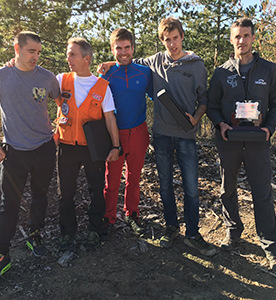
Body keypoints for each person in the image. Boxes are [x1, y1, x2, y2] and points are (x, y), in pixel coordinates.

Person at [100, 17, 216, 256]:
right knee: (141, 184)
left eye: (175, 38)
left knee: (182, 187)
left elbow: (203, 98)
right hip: (139, 134)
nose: (172, 44)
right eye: (166, 40)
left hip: (169, 134)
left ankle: (184, 231)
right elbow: (124, 65)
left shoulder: (185, 66)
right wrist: (110, 62)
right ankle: (120, 220)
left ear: (182, 37)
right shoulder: (138, 66)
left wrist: (195, 118)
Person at [0, 31, 60, 284]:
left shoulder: (47, 78)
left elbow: (60, 102)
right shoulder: (0, 76)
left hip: (44, 149)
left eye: (38, 52)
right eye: (30, 51)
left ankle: (35, 235)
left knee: (41, 196)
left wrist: (57, 128)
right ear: (17, 48)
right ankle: (2, 256)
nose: (35, 56)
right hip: (13, 153)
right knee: (8, 205)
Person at [207, 18, 276, 271]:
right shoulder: (221, 72)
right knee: (227, 188)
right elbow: (212, 106)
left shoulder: (268, 70)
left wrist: (270, 128)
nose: (242, 40)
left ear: (253, 38)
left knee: (262, 192)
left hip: (257, 142)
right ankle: (233, 230)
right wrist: (220, 124)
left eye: (246, 36)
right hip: (229, 140)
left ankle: (270, 245)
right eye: (237, 36)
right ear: (232, 39)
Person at [55, 38, 120, 251]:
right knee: (65, 193)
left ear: (87, 58)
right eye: (68, 53)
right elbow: (35, 82)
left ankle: (94, 228)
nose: (68, 58)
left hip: (93, 148)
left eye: (73, 54)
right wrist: (14, 63)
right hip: (66, 146)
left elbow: (110, 119)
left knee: (96, 189)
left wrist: (116, 146)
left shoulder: (102, 86)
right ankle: (67, 232)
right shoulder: (61, 80)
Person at [101, 28, 153, 235]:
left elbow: (158, 96)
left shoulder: (144, 72)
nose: (123, 52)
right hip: (115, 134)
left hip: (139, 132)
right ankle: (108, 216)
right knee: (112, 178)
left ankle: (132, 213)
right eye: (118, 48)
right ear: (112, 49)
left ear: (133, 48)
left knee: (134, 177)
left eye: (127, 48)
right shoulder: (106, 73)